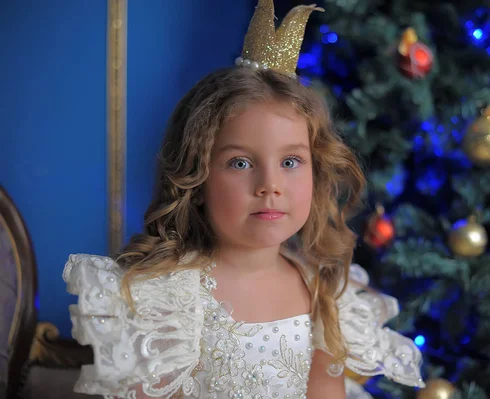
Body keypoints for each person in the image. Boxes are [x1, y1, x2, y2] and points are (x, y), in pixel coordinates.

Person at [62, 1, 424, 398]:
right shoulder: (166, 298)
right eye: (239, 162)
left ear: (316, 170)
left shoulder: (322, 289)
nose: (270, 185)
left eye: (290, 161)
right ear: (195, 178)